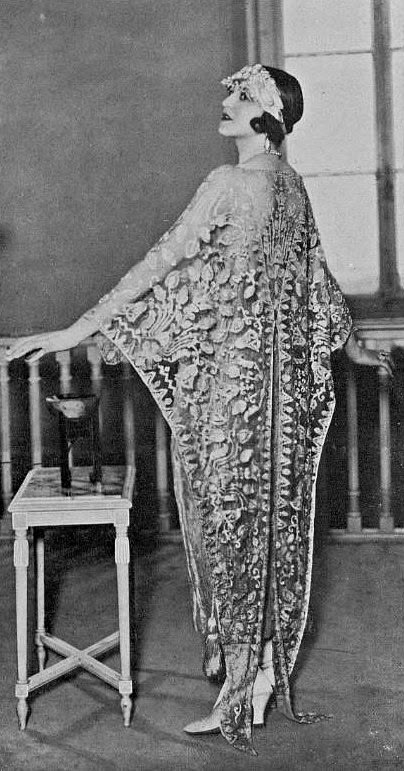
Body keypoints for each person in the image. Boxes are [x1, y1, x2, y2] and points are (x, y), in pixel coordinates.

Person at [7, 64, 393, 755]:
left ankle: (240, 686)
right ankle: (258, 672)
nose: (226, 102)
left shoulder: (229, 184)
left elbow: (161, 264)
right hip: (277, 393)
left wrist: (77, 329)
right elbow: (315, 280)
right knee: (268, 520)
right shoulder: (291, 185)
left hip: (234, 390)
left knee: (228, 523)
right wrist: (353, 345)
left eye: (240, 96)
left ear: (266, 116)